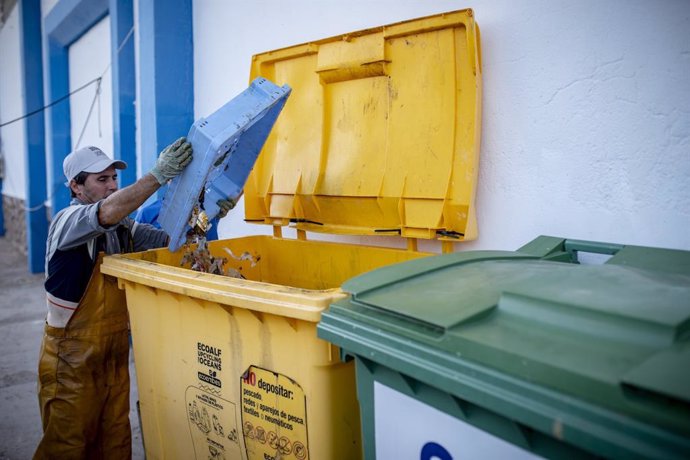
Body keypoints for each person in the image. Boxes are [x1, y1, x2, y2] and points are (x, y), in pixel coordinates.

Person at [35, 138, 201, 459]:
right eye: (102, 180)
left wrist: (201, 214)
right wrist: (158, 175)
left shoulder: (122, 229)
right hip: (71, 359)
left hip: (112, 358)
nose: (111, 186)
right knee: (67, 446)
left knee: (115, 441)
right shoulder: (68, 222)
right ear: (76, 186)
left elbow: (170, 241)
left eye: (114, 178)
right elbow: (107, 212)